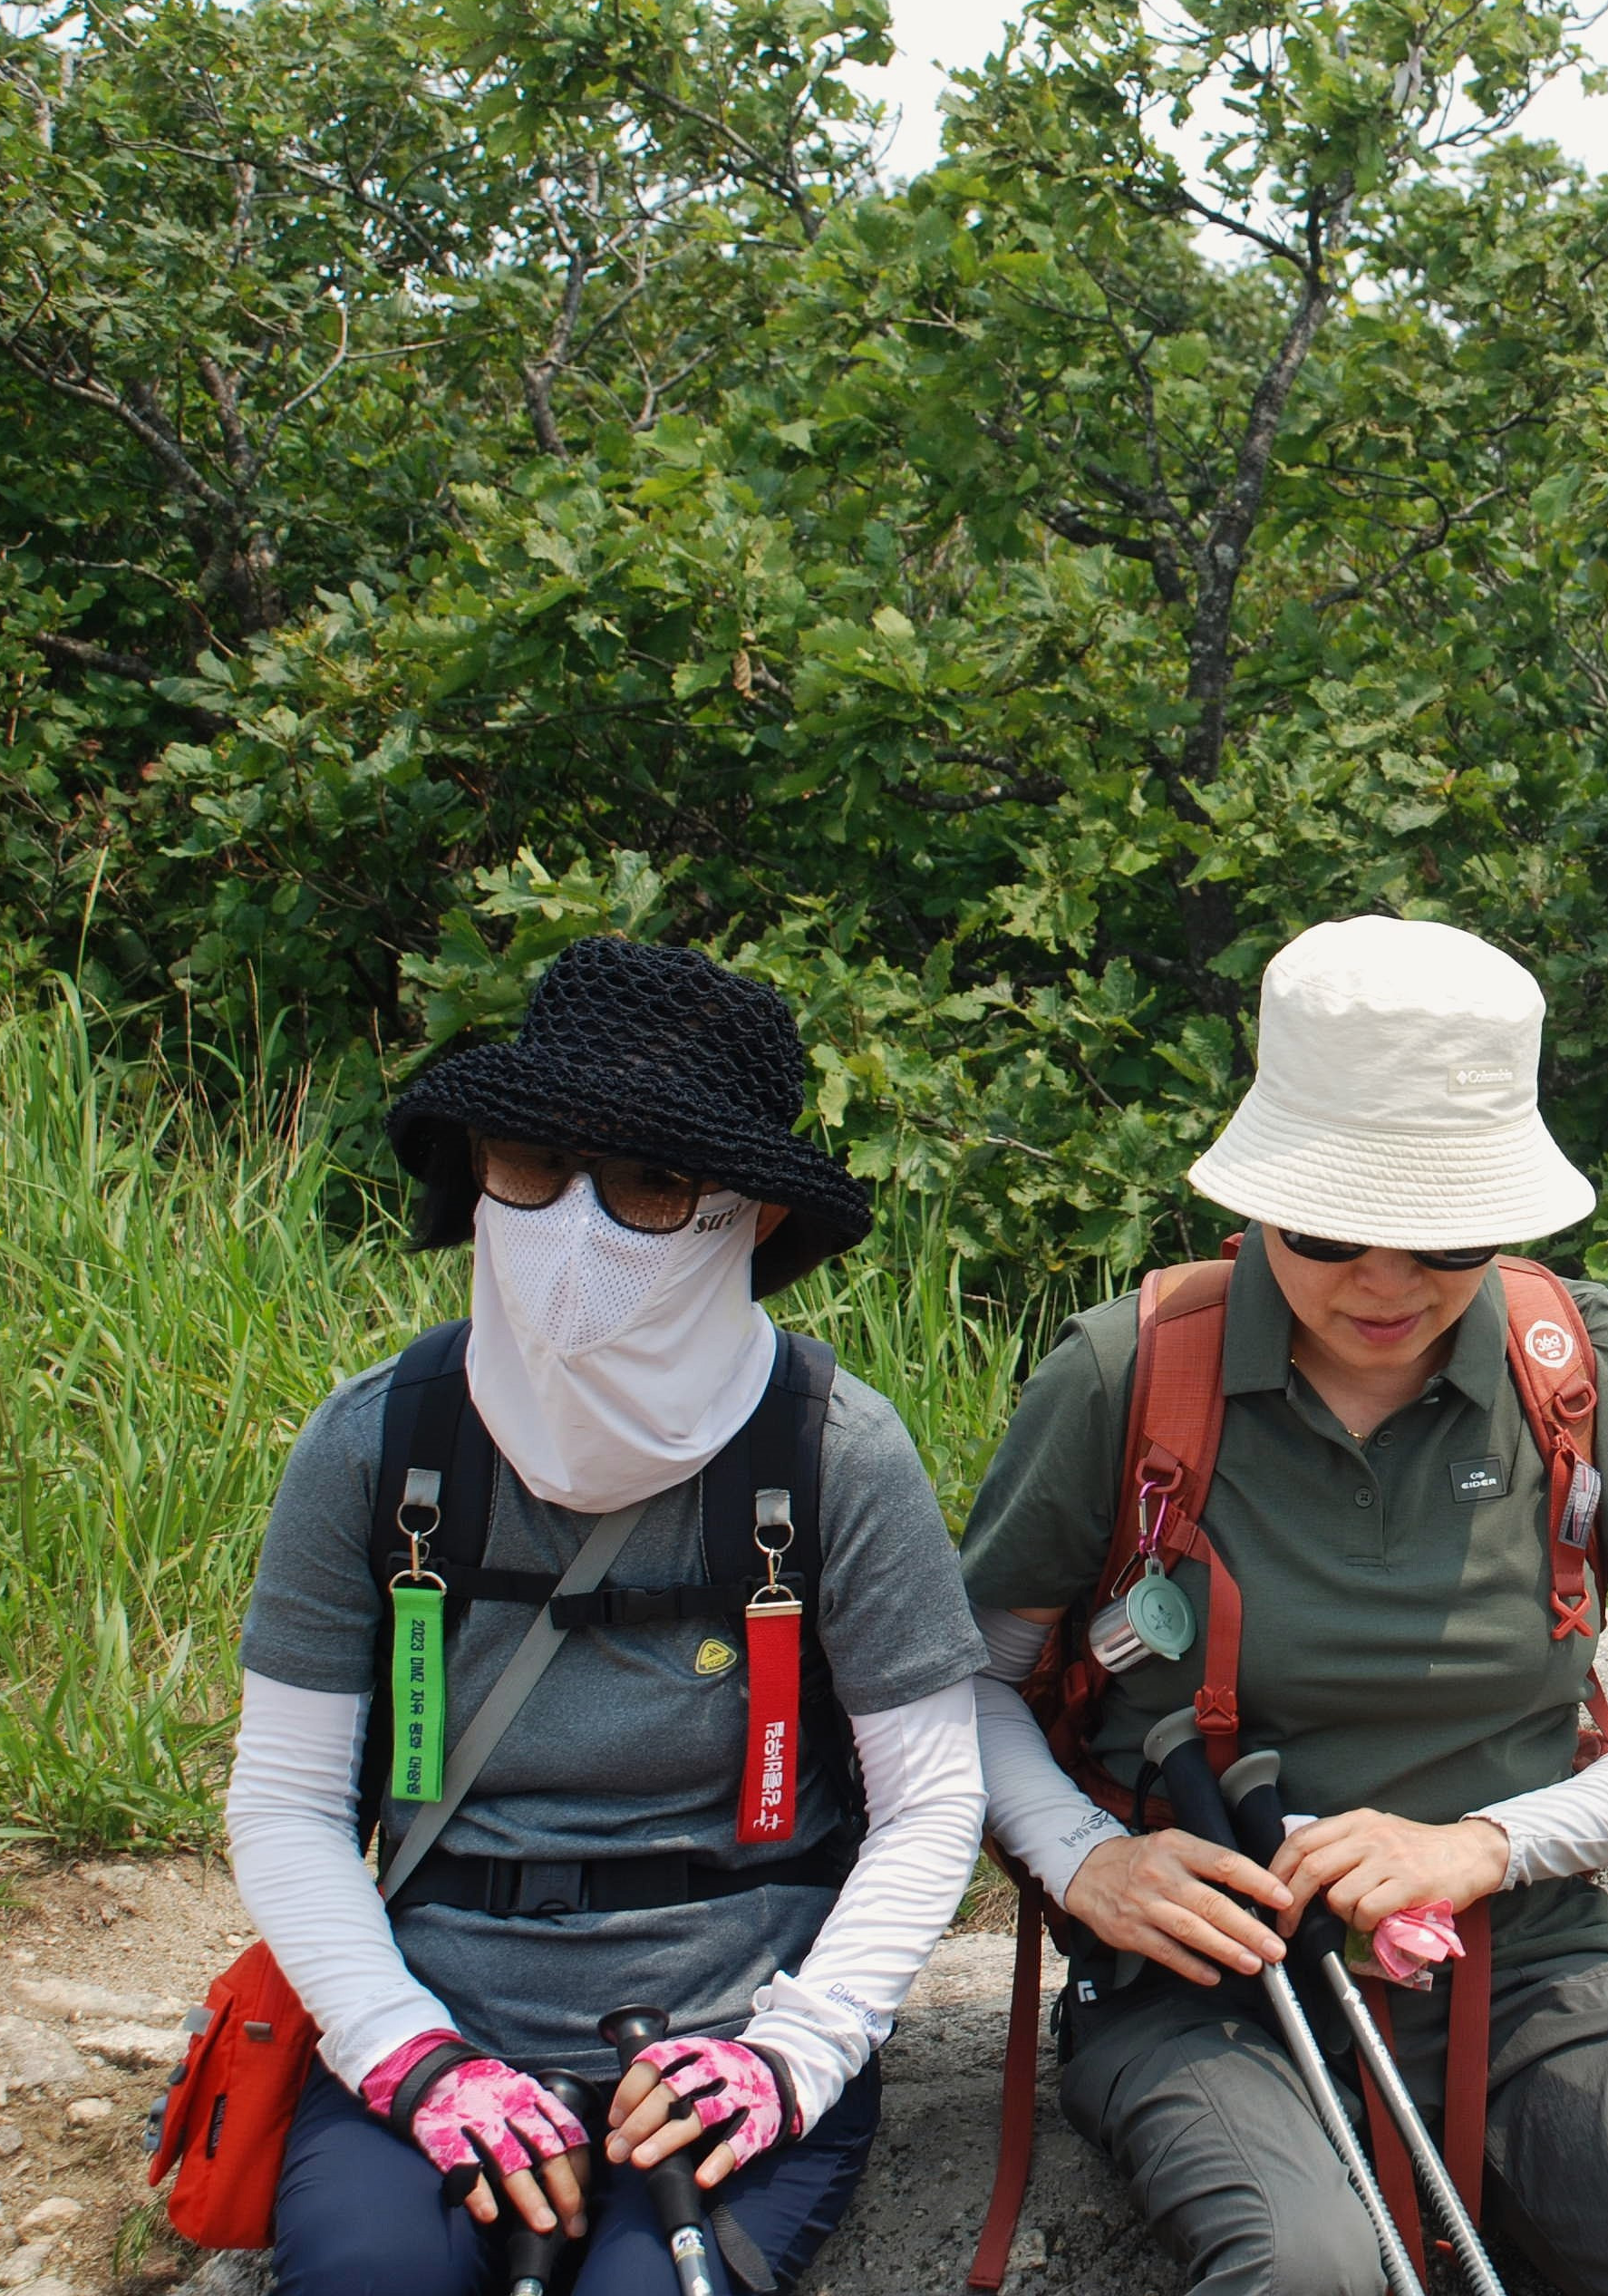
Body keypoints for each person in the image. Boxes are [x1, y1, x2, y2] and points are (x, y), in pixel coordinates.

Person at [964, 914, 1608, 2296]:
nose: (1384, 1283)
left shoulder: (1582, 1366)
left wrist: (1479, 1847)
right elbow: (963, 1688)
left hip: (1532, 1966)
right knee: (1306, 2271)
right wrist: (1088, 1863)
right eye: (1329, 1229)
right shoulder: (1126, 1378)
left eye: (1442, 1238)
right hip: (1211, 1984)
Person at [227, 937, 988, 2295]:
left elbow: (932, 1799)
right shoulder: (377, 1444)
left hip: (730, 2027)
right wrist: (408, 2057)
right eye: (530, 1164)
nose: (575, 1225)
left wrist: (791, 2057)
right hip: (440, 2012)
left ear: (750, 1214)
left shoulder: (835, 1456)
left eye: (649, 1181)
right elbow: (285, 1798)